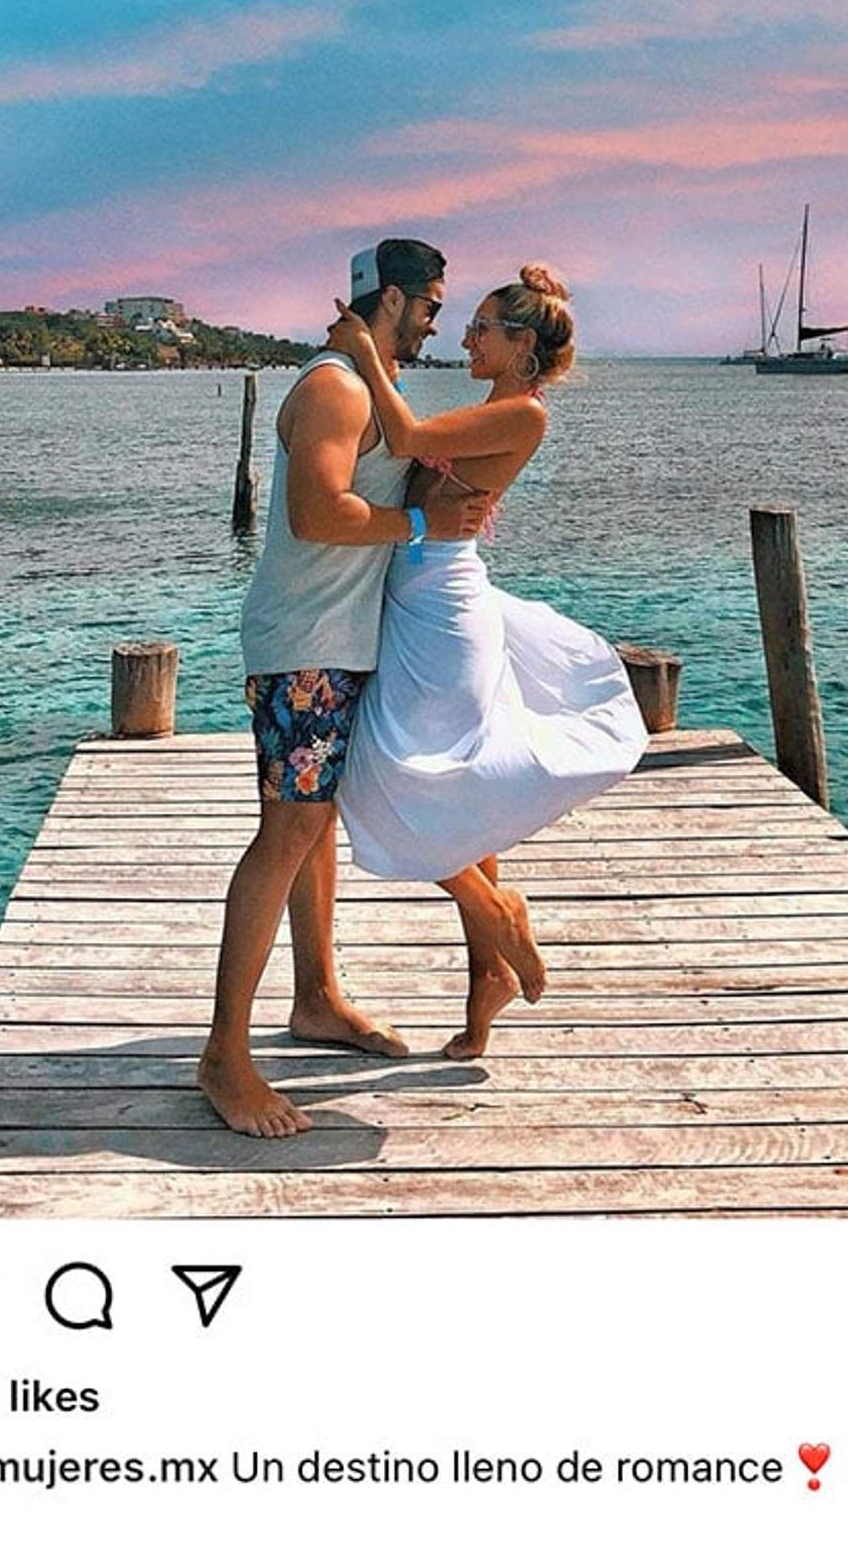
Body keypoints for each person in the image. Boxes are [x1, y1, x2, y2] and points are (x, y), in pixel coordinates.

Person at [198, 238, 491, 1139]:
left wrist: (433, 485)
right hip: (305, 646)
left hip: (336, 640)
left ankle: (317, 998)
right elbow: (316, 511)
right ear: (394, 300)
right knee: (286, 830)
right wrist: (417, 518)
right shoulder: (335, 385)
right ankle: (223, 1058)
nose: (440, 319)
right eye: (433, 304)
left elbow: (389, 467)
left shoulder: (366, 385)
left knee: (312, 823)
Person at [329, 265, 647, 1060]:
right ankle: (484, 990)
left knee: (388, 771)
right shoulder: (490, 409)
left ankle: (492, 908)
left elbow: (404, 438)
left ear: (523, 348)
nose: (465, 337)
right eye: (465, 323)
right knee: (456, 788)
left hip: (442, 609)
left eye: (481, 327)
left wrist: (364, 349)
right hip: (417, 592)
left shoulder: (523, 418)